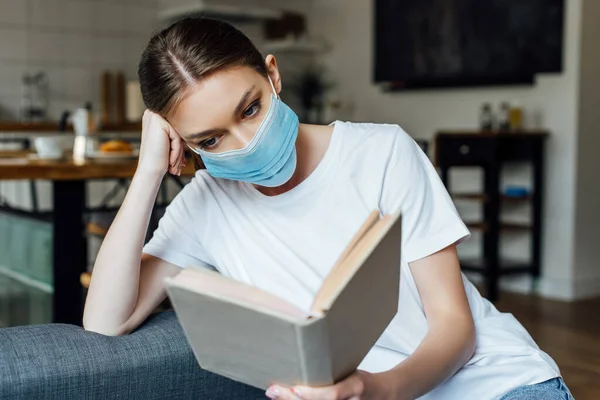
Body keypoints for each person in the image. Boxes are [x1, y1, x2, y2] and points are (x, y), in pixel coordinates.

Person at [82, 17, 572, 400]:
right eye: (210, 139)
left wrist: (378, 390)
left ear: (273, 75)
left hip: (498, 384)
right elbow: (105, 320)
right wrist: (147, 173)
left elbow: (455, 328)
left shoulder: (382, 153)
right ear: (184, 144)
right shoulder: (204, 206)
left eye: (250, 109)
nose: (246, 143)